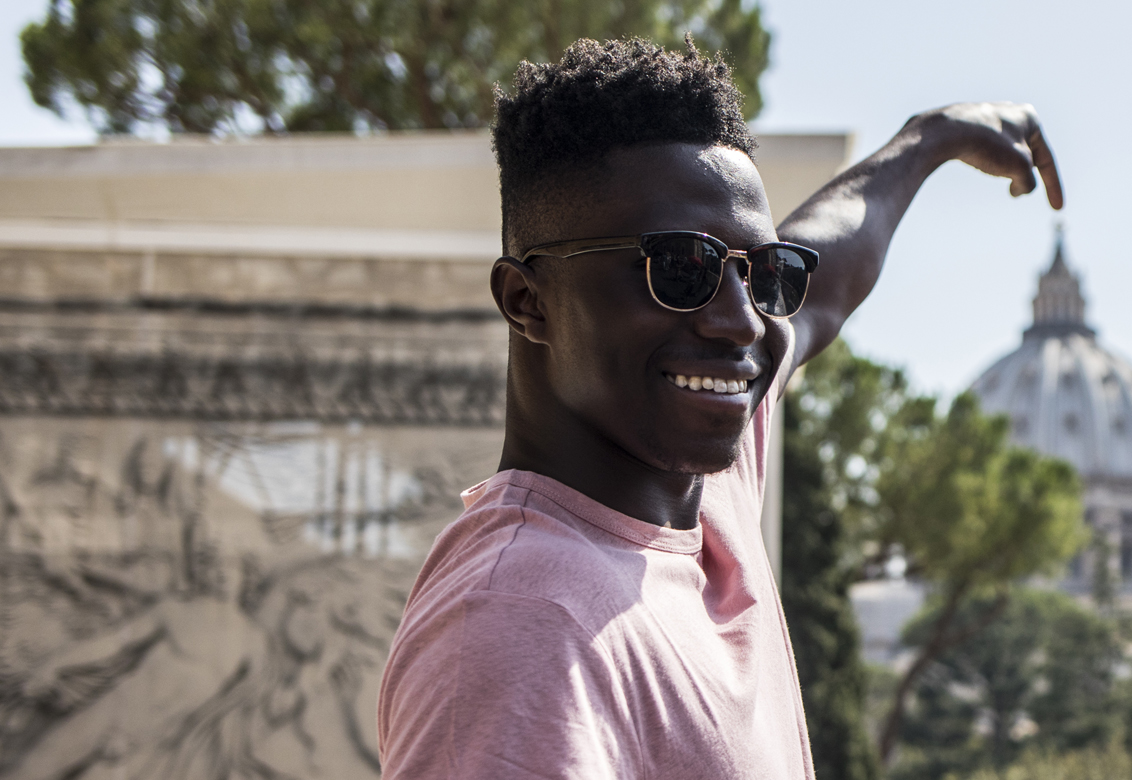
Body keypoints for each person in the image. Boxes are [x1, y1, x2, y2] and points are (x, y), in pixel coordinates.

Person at [374, 37, 1061, 779]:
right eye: (679, 268)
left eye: (764, 275)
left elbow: (827, 277)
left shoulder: (701, 492)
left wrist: (930, 139)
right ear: (527, 301)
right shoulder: (522, 623)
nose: (741, 321)